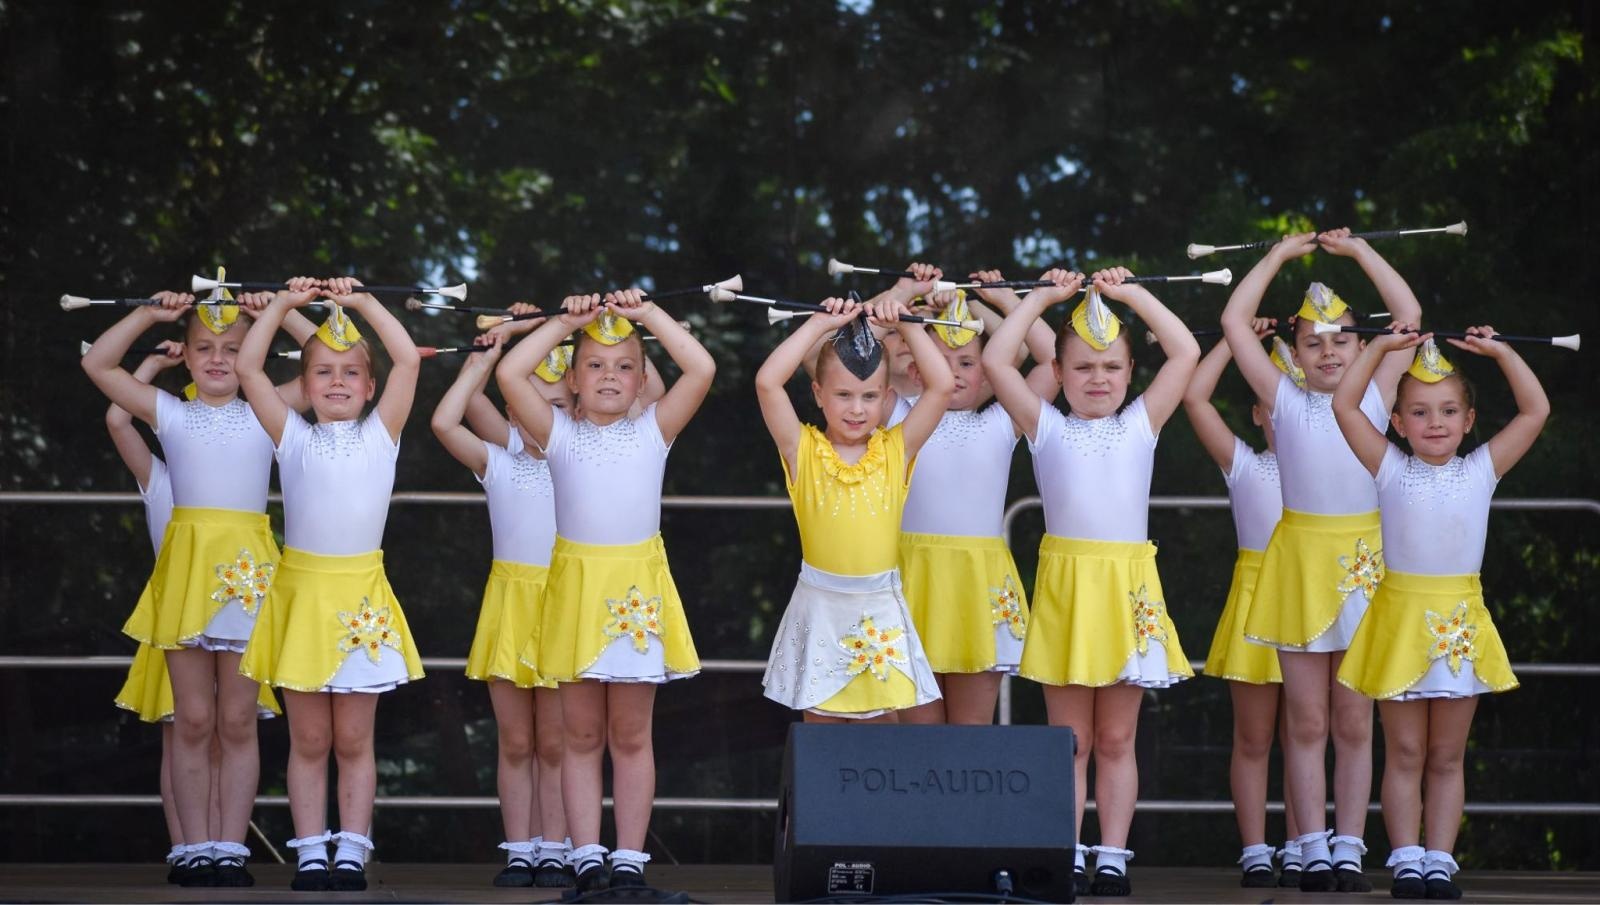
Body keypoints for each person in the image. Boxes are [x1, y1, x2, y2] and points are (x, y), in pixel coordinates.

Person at [81, 287, 310, 887]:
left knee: (237, 721)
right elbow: (97, 366)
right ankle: (192, 848)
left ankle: (230, 847)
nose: (218, 359)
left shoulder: (266, 410)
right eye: (204, 347)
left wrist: (277, 312)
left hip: (249, 576)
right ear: (184, 354)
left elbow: (321, 369)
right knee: (192, 718)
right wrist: (146, 317)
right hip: (186, 574)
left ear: (251, 355)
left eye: (232, 349)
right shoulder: (168, 412)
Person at [982, 267, 1201, 896]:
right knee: (1069, 740)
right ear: (1057, 374)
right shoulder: (1044, 425)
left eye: (1111, 367)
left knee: (1116, 736)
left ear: (1131, 374)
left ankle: (1112, 854)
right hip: (1070, 590)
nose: (1097, 379)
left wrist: (1132, 294)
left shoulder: (1142, 424)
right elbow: (999, 361)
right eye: (1080, 368)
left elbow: (1184, 349)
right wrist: (1041, 301)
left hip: (1127, 590)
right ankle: (1067, 850)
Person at [1221, 228, 1423, 891]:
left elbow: (1408, 317)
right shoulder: (1283, 399)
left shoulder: (1373, 396)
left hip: (1366, 561)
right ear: (1296, 356)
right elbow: (1230, 320)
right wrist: (1277, 256)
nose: (1330, 349)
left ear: (1362, 346)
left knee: (1353, 718)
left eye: (1342, 337)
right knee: (1305, 718)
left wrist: (1360, 252)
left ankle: (1350, 844)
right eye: (1314, 341)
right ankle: (1308, 841)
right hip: (1301, 560)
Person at [495, 290, 714, 892]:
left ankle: (629, 859)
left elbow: (702, 369)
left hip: (636, 594)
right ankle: (586, 854)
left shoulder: (654, 432)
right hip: (577, 592)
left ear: (645, 379)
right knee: (580, 735)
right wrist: (566, 321)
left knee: (631, 734)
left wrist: (647, 317)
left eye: (624, 366)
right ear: (572, 376)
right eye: (594, 364)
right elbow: (510, 371)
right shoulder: (557, 433)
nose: (610, 376)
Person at [1333, 328, 1546, 899]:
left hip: (1458, 625)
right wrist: (1376, 349)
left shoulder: (1481, 470)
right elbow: (1344, 406)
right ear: (1398, 423)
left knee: (1447, 755)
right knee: (1404, 750)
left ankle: (1440, 858)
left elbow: (1536, 409)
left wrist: (1503, 351)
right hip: (1401, 623)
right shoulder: (1388, 467)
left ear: (1469, 419)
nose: (1435, 422)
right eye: (1420, 412)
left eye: (1449, 410)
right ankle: (1405, 857)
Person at [236, 278, 426, 891]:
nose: (338, 381)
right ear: (304, 385)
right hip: (302, 596)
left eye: (350, 373)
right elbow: (248, 367)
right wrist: (285, 307)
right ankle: (311, 850)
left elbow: (405, 356)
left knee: (353, 737)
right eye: (323, 372)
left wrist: (364, 300)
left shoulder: (382, 435)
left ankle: (353, 849)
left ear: (370, 389)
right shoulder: (290, 435)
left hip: (359, 597)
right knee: (309, 736)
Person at [756, 270, 954, 725]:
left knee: (880, 747)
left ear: (887, 398)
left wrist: (907, 322)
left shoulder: (895, 450)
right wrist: (818, 325)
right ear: (818, 394)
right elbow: (768, 382)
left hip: (879, 609)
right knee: (823, 749)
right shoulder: (801, 449)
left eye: (868, 396)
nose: (857, 408)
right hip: (820, 606)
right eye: (843, 395)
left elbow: (941, 386)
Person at [431, 329, 572, 887]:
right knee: (516, 740)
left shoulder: (582, 458)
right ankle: (520, 850)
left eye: (557, 407)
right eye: (530, 408)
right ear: (512, 413)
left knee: (559, 742)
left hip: (565, 604)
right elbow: (445, 421)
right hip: (511, 605)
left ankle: (558, 849)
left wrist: (590, 323)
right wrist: (488, 353)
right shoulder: (500, 461)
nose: (542, 419)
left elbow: (643, 395)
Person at [896, 279, 1057, 724]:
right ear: (916, 370)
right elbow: (828, 365)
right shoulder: (893, 416)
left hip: (979, 585)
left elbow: (1055, 360)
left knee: (971, 740)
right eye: (940, 362)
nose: (953, 373)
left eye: (967, 362)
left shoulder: (1003, 420)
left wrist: (993, 303)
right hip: (913, 581)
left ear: (987, 371)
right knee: (917, 741)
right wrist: (904, 300)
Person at [1182, 320, 1304, 886]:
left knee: (1310, 733)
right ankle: (1256, 847)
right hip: (1257, 605)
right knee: (1254, 737)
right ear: (1258, 413)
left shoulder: (1348, 462)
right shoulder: (1245, 464)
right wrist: (1235, 339)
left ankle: (1308, 842)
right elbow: (1194, 395)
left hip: (1313, 603)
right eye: (1274, 404)